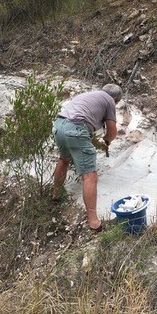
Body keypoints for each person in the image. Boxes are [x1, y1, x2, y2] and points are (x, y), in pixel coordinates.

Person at [51, 84, 122, 231]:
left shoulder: (89, 95)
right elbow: (112, 132)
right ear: (115, 99)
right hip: (76, 128)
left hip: (58, 126)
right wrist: (107, 140)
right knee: (90, 175)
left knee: (64, 159)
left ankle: (56, 195)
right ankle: (94, 221)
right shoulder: (109, 100)